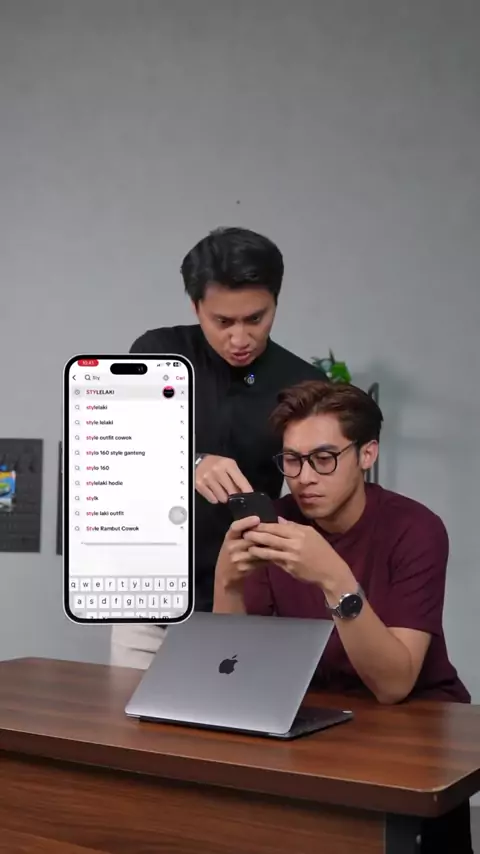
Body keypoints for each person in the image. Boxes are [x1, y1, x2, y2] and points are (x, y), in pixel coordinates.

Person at [213, 378, 472, 854]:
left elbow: (393, 685)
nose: (304, 477)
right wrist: (226, 583)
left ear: (367, 454)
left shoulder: (416, 529)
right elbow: (237, 676)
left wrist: (334, 578)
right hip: (316, 721)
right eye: (292, 460)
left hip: (416, 727)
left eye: (324, 458)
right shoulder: (275, 524)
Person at [110, 227, 325, 668]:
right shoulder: (156, 352)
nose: (240, 339)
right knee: (130, 712)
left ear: (275, 302)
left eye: (256, 319)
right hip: (148, 601)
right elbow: (117, 452)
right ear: (196, 307)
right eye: (223, 322)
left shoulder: (304, 385)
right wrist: (188, 461)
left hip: (246, 602)